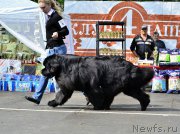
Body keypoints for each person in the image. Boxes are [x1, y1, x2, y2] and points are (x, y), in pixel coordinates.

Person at [25, 0, 69, 104]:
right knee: (47, 73)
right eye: (40, 7)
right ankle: (37, 97)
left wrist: (58, 33)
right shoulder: (47, 16)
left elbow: (65, 31)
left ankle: (58, 98)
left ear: (49, 5)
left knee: (59, 74)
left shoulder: (56, 17)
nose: (42, 10)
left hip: (58, 49)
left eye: (43, 7)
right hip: (51, 48)